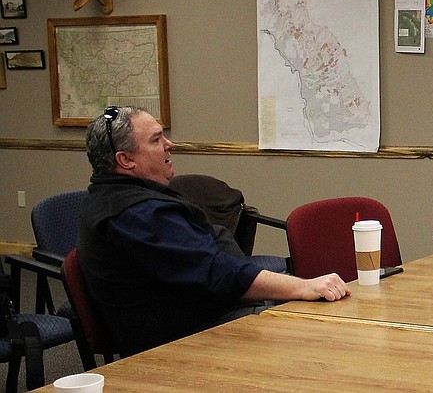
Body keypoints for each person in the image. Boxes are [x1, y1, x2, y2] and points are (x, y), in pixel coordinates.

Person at [78, 106, 351, 355]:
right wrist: (303, 286)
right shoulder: (137, 216)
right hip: (186, 341)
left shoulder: (120, 199)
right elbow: (218, 275)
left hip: (209, 316)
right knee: (323, 336)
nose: (169, 145)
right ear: (126, 160)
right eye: (156, 140)